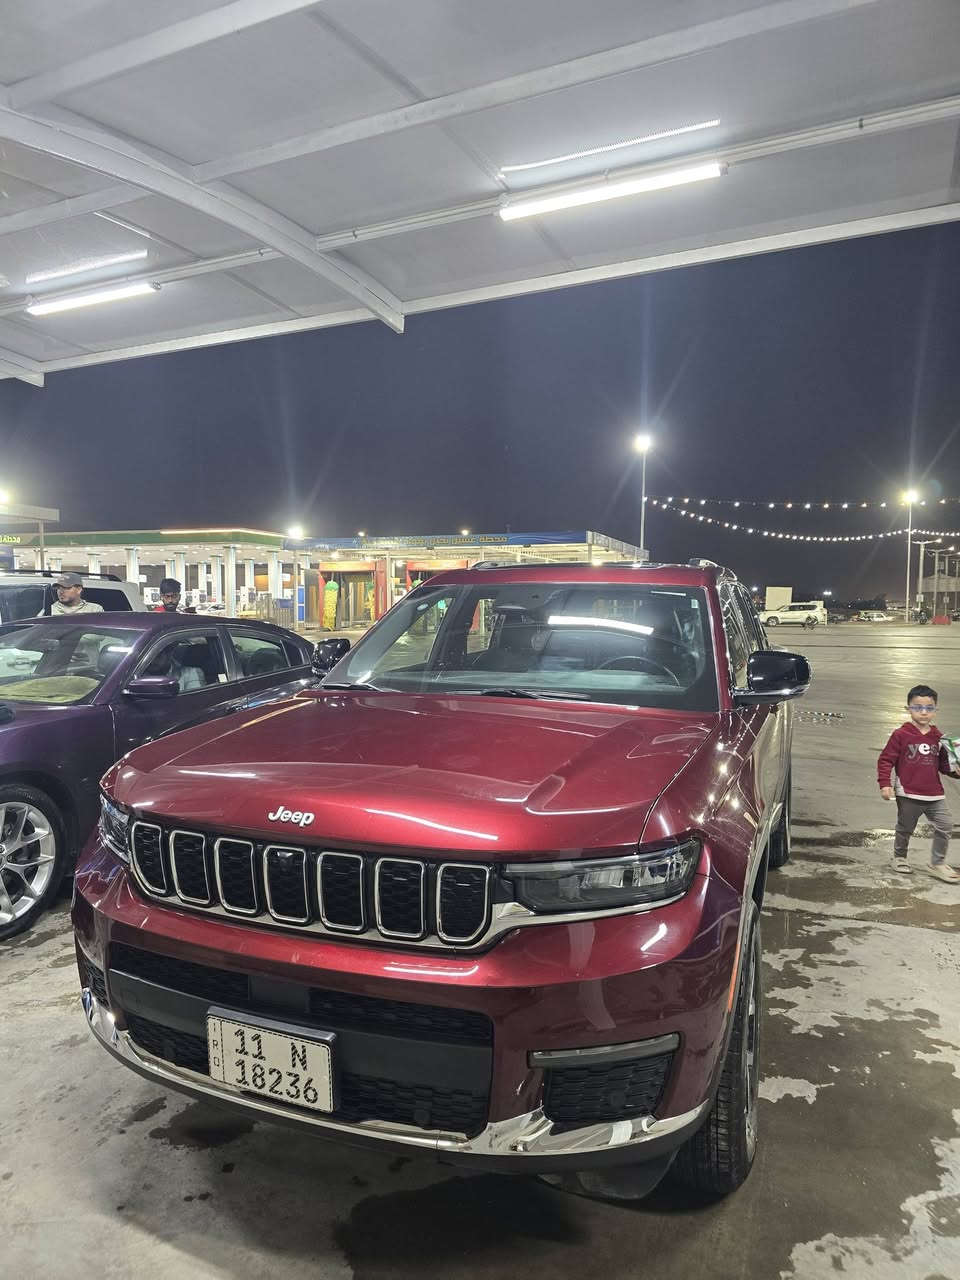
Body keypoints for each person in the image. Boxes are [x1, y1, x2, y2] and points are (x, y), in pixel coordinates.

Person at [877, 684, 960, 882]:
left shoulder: (939, 738)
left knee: (945, 825)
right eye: (918, 707)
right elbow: (886, 760)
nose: (924, 712)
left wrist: (955, 771)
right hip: (908, 793)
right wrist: (885, 783)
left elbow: (943, 765)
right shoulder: (901, 735)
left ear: (935, 710)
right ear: (908, 709)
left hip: (935, 794)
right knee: (905, 827)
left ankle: (937, 863)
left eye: (929, 708)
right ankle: (899, 857)